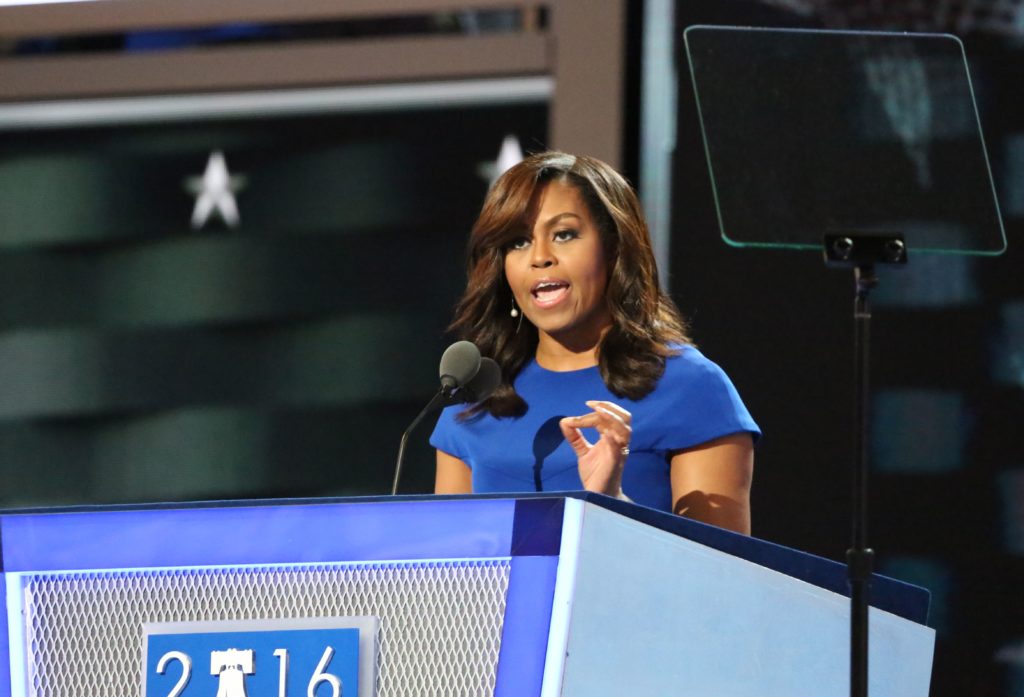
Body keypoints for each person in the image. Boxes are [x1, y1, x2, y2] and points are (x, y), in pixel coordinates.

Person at [430, 152, 760, 534]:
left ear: (615, 247)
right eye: (518, 242)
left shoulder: (690, 387)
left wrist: (613, 503)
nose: (540, 257)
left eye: (564, 234)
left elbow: (722, 576)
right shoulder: (473, 400)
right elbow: (449, 570)